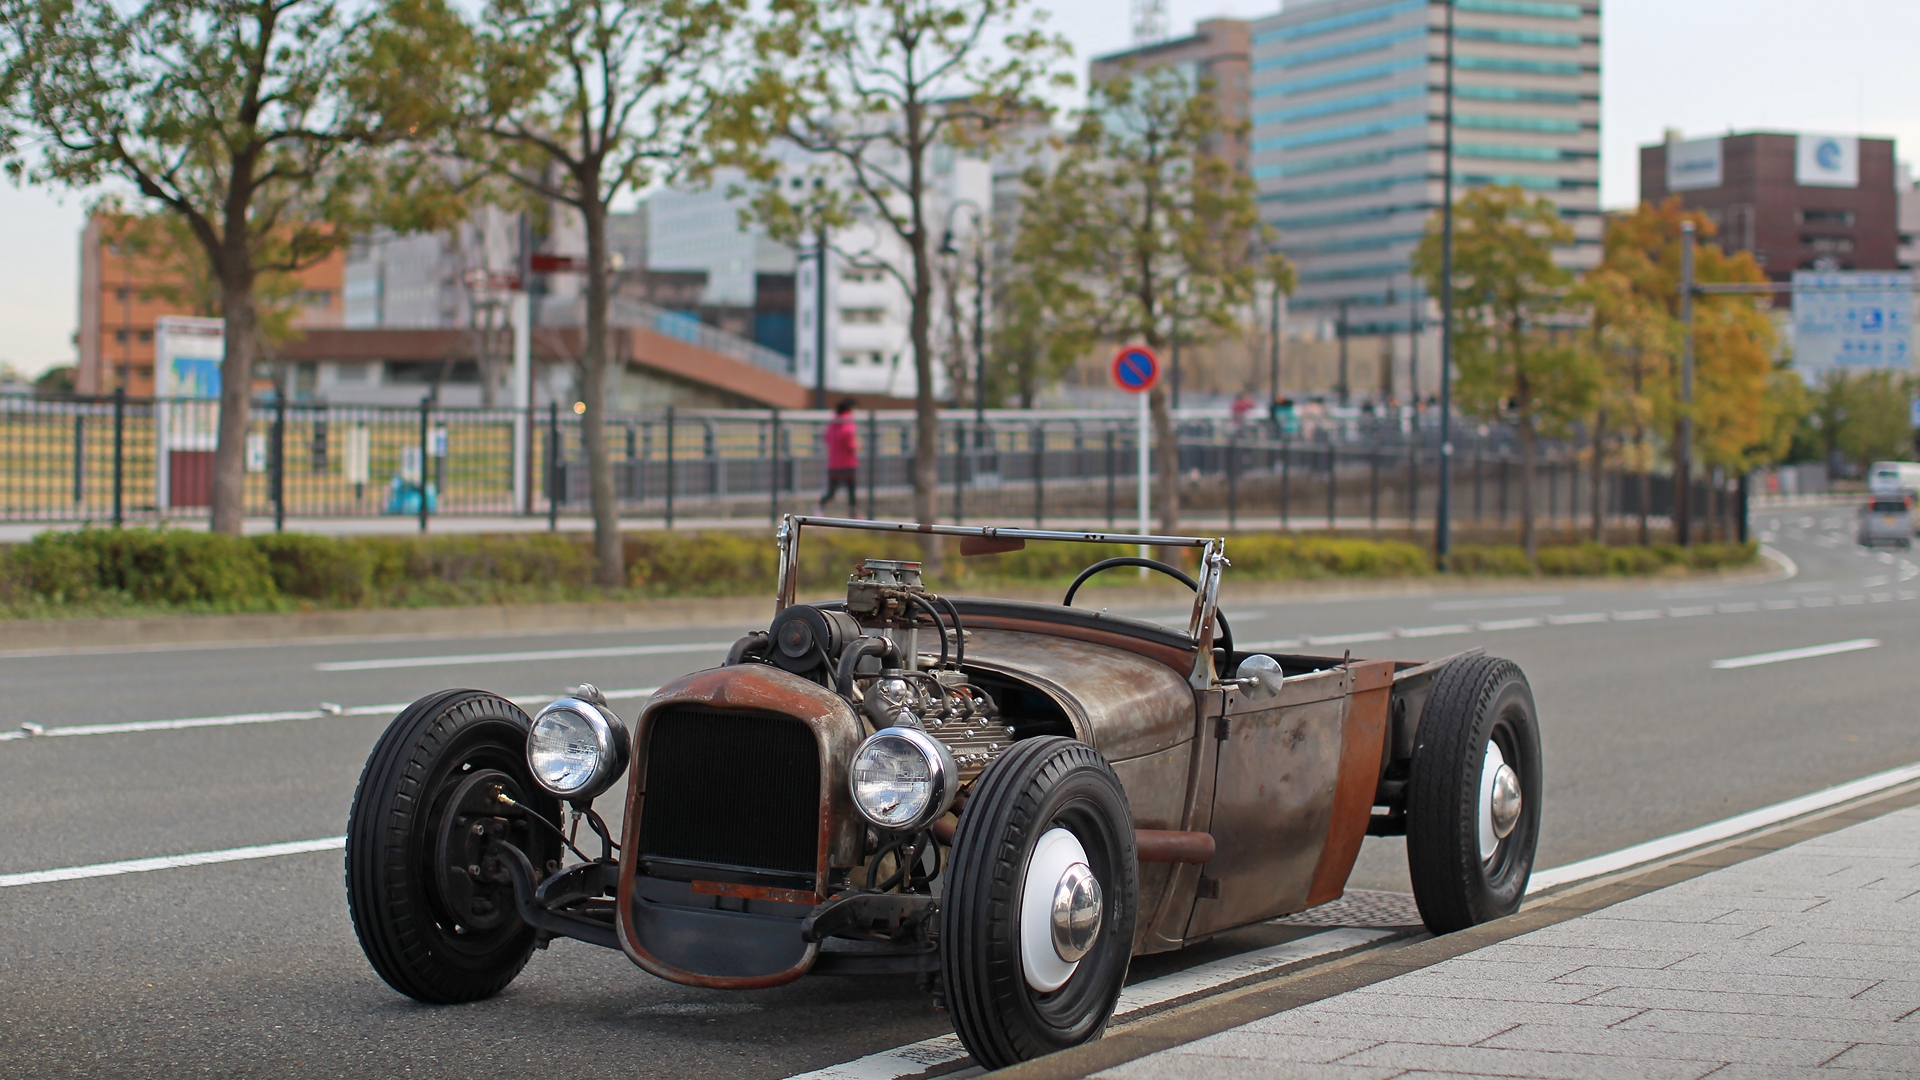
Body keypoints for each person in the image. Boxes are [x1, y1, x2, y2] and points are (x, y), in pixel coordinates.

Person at [820, 398, 860, 514]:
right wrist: (856, 445)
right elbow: (849, 441)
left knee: (831, 491)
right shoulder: (847, 422)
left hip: (834, 463)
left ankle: (819, 507)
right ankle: (853, 513)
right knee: (851, 490)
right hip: (848, 463)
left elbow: (826, 438)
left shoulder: (832, 422)